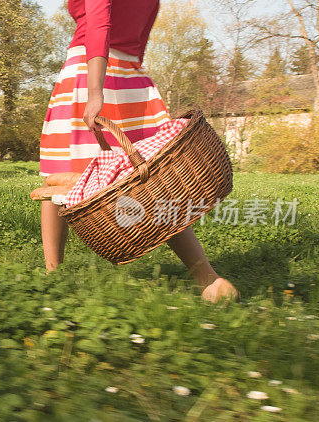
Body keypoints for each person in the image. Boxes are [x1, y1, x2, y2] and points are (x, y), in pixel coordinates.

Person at [29, 0, 238, 302]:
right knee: (153, 181)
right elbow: (140, 31)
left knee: (59, 177)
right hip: (131, 77)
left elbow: (99, 24)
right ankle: (207, 278)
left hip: (90, 71)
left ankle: (53, 277)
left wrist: (95, 90)